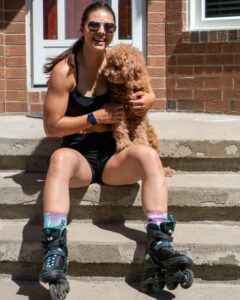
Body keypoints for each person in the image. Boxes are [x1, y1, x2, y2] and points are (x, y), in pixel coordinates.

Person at [40, 1, 193, 294]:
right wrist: (93, 118)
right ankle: (55, 247)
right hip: (79, 159)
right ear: (82, 29)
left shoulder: (119, 61)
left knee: (149, 156)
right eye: (94, 25)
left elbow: (145, 88)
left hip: (114, 160)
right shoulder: (66, 71)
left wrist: (149, 99)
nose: (101, 32)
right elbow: (52, 126)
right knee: (58, 159)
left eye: (108, 27)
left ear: (113, 32)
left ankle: (160, 241)